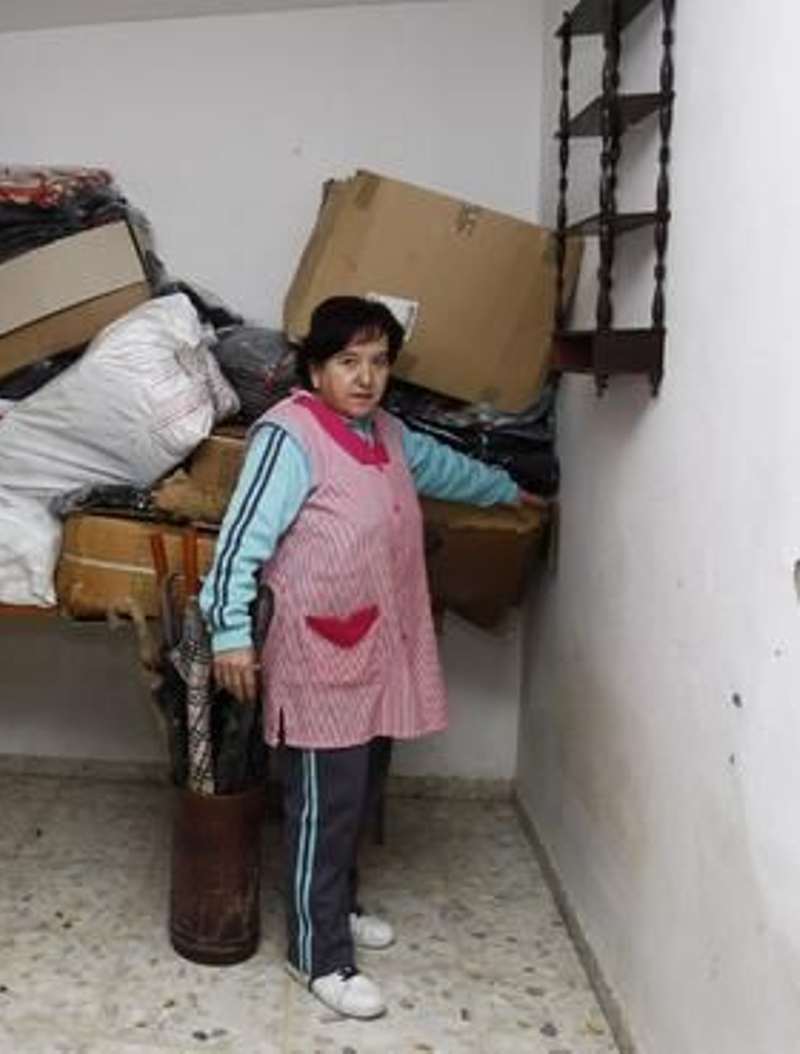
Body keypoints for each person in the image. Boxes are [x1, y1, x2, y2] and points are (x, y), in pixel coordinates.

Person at [198, 295, 544, 1020]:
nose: (366, 377)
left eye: (379, 362)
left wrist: (511, 491)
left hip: (375, 650)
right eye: (348, 362)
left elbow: (445, 469)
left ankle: (336, 907)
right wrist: (231, 633)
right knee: (323, 804)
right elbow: (238, 543)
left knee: (357, 796)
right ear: (315, 368)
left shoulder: (384, 432)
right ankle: (317, 953)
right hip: (319, 654)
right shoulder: (289, 437)